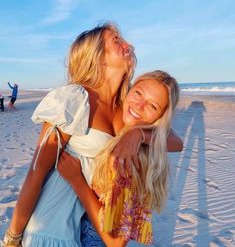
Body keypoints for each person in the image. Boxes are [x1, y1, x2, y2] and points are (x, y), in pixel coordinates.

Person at [3, 23, 182, 247]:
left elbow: (175, 141)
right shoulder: (74, 99)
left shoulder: (128, 106)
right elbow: (36, 173)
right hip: (52, 228)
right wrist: (13, 236)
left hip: (90, 229)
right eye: (116, 40)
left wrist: (137, 135)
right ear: (98, 56)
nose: (129, 44)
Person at [58, 70, 180, 246]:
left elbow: (116, 242)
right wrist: (138, 134)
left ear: (160, 118)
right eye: (138, 93)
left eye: (153, 106)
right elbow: (178, 142)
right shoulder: (131, 136)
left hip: (93, 239)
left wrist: (77, 180)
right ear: (129, 90)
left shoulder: (128, 160)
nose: (139, 106)